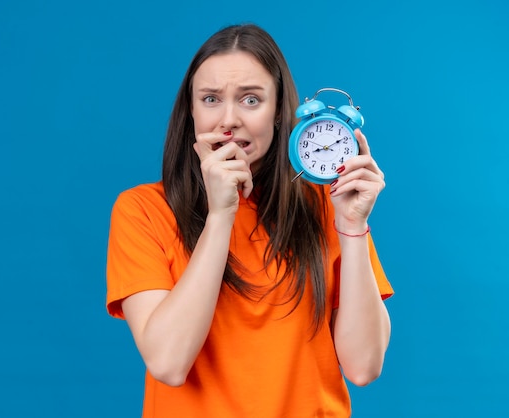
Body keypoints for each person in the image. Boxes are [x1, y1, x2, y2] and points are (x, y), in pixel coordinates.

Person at [105, 23, 393, 418]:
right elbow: (168, 363)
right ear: (190, 111)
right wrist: (221, 215)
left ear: (278, 113)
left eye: (251, 100)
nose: (228, 119)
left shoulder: (326, 205)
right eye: (210, 99)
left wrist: (353, 225)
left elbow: (364, 366)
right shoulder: (142, 210)